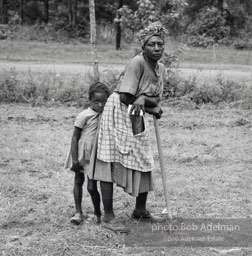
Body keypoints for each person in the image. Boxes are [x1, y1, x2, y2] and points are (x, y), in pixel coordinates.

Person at [89, 22, 168, 223]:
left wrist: (145, 101)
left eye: (160, 44)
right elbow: (125, 96)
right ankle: (108, 215)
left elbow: (156, 99)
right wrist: (145, 103)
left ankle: (140, 211)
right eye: (152, 44)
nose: (157, 48)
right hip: (118, 113)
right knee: (109, 159)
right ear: (143, 47)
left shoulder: (161, 68)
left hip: (137, 115)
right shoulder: (137, 62)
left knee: (143, 158)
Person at [65, 81, 111, 225]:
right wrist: (74, 161)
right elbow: (74, 138)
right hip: (81, 153)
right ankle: (78, 213)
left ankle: (98, 213)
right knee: (78, 181)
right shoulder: (84, 115)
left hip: (95, 154)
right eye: (96, 101)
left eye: (103, 101)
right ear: (89, 100)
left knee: (92, 186)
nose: (100, 105)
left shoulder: (107, 115)